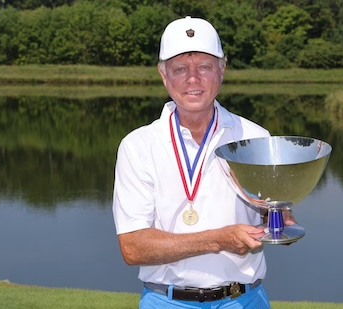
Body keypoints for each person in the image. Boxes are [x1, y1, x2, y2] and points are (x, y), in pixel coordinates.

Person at [112, 16, 273, 308]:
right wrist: (217, 240)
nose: (193, 79)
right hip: (166, 301)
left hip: (244, 300)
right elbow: (133, 248)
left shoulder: (256, 137)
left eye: (204, 67)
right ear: (163, 75)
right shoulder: (137, 146)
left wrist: (277, 216)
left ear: (222, 70)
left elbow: (269, 210)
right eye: (180, 69)